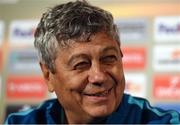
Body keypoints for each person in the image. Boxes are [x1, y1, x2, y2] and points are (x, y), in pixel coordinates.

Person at [5, 0, 180, 124]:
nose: (99, 76)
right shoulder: (20, 123)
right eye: (80, 64)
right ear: (48, 75)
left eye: (108, 59)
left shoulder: (163, 122)